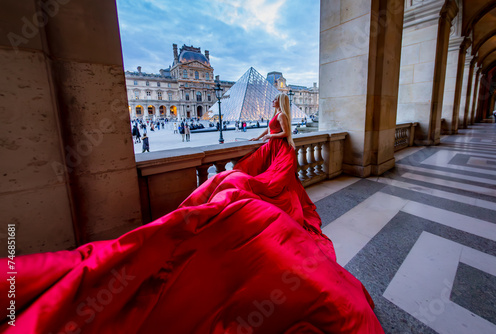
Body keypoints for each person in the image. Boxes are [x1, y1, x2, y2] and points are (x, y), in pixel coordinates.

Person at [0, 94, 383, 333]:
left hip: (277, 157)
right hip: (274, 156)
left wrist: (271, 142)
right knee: (241, 190)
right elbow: (278, 140)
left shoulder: (282, 118)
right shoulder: (278, 119)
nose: (271, 105)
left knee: (233, 189)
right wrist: (263, 140)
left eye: (274, 102)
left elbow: (284, 141)